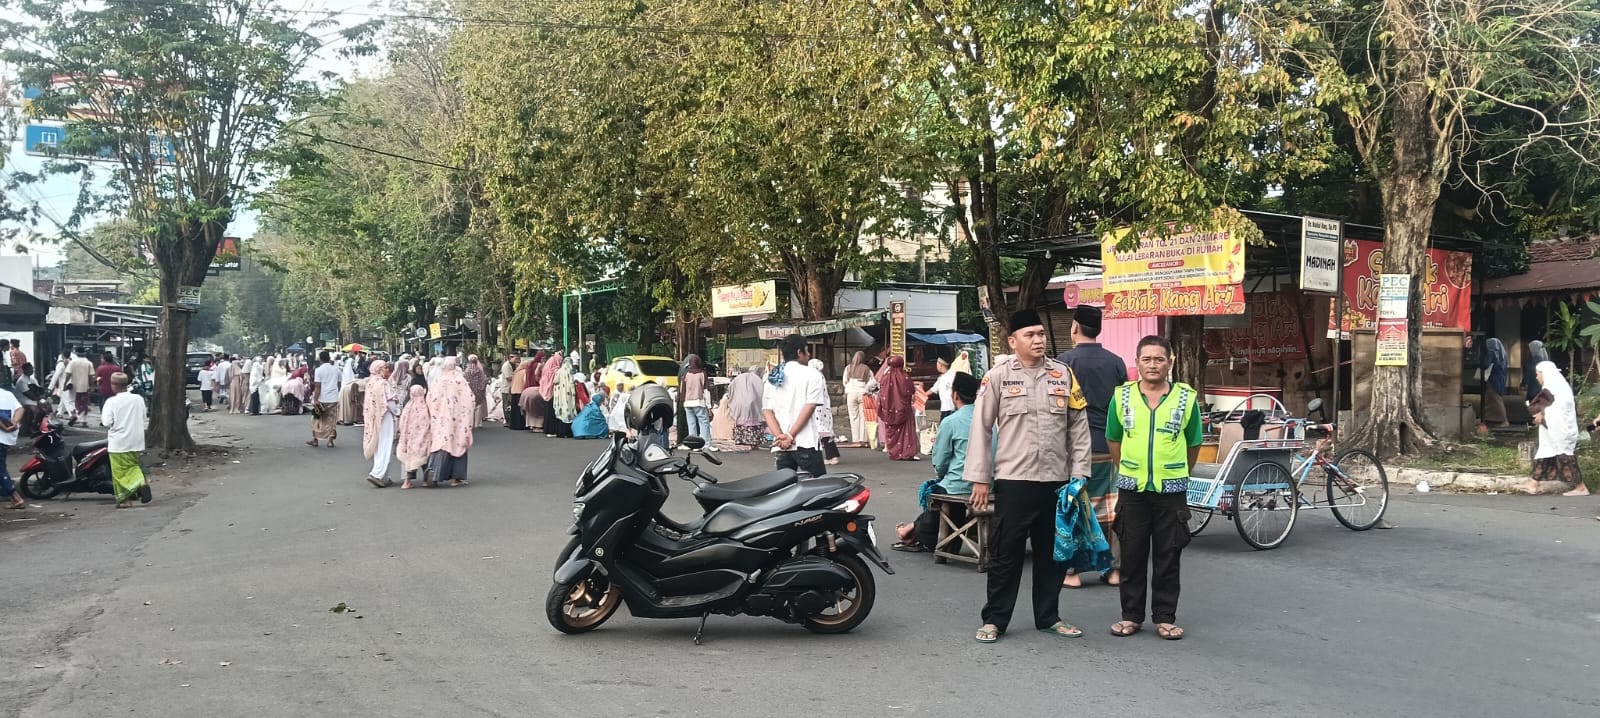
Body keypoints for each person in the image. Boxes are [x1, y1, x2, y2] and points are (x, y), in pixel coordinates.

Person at [966, 308, 1092, 644]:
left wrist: (1079, 473)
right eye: (1029, 335)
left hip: (1056, 481)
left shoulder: (1063, 375)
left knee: (1053, 553)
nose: (1038, 340)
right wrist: (981, 477)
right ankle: (994, 619)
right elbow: (981, 426)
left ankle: (1048, 616)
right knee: (1006, 553)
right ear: (1013, 341)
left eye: (1040, 334)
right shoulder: (997, 377)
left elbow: (1078, 427)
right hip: (1014, 479)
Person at [1107, 335, 1203, 641]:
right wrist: (1127, 468)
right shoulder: (1121, 397)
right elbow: (1113, 438)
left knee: (1168, 554)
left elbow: (1194, 442)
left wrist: (1180, 472)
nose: (1152, 364)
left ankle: (1164, 617)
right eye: (1146, 359)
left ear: (1170, 363)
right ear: (1136, 363)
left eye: (1159, 359)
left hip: (1171, 490)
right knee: (1131, 554)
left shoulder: (1185, 398)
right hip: (1132, 488)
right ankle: (1131, 616)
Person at [1056, 304, 1128, 588]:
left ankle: (1072, 571)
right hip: (1110, 446)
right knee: (1111, 510)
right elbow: (1124, 407)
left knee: (1074, 506)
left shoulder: (1063, 362)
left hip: (1073, 448)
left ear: (1074, 326)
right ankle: (1113, 570)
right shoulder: (1116, 362)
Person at [894, 371, 980, 552]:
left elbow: (940, 461)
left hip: (960, 484)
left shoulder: (951, 421)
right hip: (989, 484)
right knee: (946, 491)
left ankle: (918, 533)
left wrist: (945, 474)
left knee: (933, 491)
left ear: (954, 395)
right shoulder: (989, 420)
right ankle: (915, 530)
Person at [762, 335, 829, 478]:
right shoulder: (812, 374)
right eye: (807, 350)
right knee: (818, 489)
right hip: (805, 442)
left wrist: (780, 436)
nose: (809, 354)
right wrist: (790, 435)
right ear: (799, 352)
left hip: (781, 446)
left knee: (784, 490)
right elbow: (809, 407)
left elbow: (767, 411)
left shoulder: (773, 377)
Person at [1523, 361, 1585, 496]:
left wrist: (1540, 414)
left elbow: (1552, 407)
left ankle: (1581, 487)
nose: (1537, 377)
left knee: (1564, 455)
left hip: (1560, 428)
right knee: (1546, 451)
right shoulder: (1557, 386)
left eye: (1538, 374)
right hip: (1553, 427)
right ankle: (1533, 483)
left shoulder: (1554, 387)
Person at [100, 372, 152, 509]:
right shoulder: (138, 399)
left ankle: (125, 500)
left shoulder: (111, 402)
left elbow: (106, 422)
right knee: (133, 465)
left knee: (119, 472)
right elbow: (143, 416)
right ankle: (141, 482)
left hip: (119, 442)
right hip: (136, 440)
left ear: (114, 385)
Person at [426, 357, 475, 487]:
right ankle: (456, 478)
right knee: (458, 443)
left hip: (440, 418)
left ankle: (433, 470)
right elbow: (470, 399)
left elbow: (430, 398)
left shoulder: (438, 380)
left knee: (440, 443)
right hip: (458, 419)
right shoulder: (459, 380)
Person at [362, 361, 400, 488]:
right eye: (384, 367)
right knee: (385, 445)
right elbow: (389, 402)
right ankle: (377, 474)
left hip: (373, 417)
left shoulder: (370, 382)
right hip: (385, 417)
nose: (386, 369)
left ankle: (384, 475)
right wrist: (398, 411)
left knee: (379, 445)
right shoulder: (382, 383)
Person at [876, 356, 919, 461]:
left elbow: (881, 394)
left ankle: (895, 452)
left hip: (889, 410)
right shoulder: (905, 377)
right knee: (906, 430)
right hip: (904, 409)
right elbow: (910, 391)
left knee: (892, 431)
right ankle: (907, 453)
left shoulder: (884, 378)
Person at [396, 385, 432, 489]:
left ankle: (407, 481)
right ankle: (426, 480)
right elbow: (428, 421)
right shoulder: (425, 406)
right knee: (424, 457)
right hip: (422, 437)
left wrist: (401, 432)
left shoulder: (408, 406)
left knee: (407, 459)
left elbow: (402, 422)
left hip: (408, 438)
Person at [726, 365, 766, 451]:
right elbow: (762, 391)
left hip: (739, 403)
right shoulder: (756, 379)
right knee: (752, 423)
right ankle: (752, 442)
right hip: (752, 404)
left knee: (741, 423)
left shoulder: (739, 378)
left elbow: (730, 388)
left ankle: (741, 441)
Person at [808, 358, 840, 464]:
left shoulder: (813, 377)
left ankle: (830, 456)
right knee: (825, 431)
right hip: (824, 407)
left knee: (819, 431)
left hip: (816, 407)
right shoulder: (820, 376)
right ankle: (832, 455)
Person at [308, 351, 342, 448]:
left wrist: (315, 399)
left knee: (316, 418)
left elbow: (317, 386)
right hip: (333, 398)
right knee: (331, 419)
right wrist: (335, 391)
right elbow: (339, 384)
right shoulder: (336, 370)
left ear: (320, 359)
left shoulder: (318, 370)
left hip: (322, 398)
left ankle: (315, 439)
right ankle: (330, 441)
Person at [0, 381, 25, 509]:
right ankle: (6, 492)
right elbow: (20, 409)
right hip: (5, 439)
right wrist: (14, 423)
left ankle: (15, 496)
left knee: (0, 468)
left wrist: (5, 426)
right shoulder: (7, 394)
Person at [680, 355, 712, 447]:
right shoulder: (702, 374)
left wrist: (683, 401)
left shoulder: (686, 374)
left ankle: (693, 444)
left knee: (691, 423)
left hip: (687, 402)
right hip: (699, 402)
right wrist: (709, 406)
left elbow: (682, 389)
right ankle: (705, 443)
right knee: (704, 423)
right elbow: (706, 391)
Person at [842, 351, 873, 444]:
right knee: (863, 417)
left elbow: (844, 381)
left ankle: (855, 439)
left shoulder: (848, 368)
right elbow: (872, 381)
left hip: (851, 393)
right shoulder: (867, 368)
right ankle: (863, 438)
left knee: (853, 417)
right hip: (863, 393)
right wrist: (867, 389)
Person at [1481, 337, 1510, 427]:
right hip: (1501, 379)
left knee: (1496, 399)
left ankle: (1504, 421)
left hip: (1493, 378)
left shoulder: (1491, 352)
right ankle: (1488, 418)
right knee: (1492, 398)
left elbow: (1486, 364)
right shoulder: (1503, 354)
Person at [549, 358, 578, 438]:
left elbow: (555, 381)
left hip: (560, 395)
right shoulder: (571, 371)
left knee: (561, 412)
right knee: (569, 411)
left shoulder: (559, 371)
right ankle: (568, 433)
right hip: (568, 395)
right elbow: (573, 382)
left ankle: (560, 432)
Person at [67, 350, 95, 424]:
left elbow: (68, 373)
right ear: (85, 354)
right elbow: (91, 376)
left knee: (72, 401)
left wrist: (65, 383)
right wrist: (92, 386)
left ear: (76, 353)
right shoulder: (89, 363)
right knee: (84, 402)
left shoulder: (72, 362)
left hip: (74, 386)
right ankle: (83, 419)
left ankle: (75, 414)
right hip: (85, 386)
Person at [464, 355, 489, 429]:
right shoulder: (480, 370)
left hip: (470, 390)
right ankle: (478, 423)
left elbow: (465, 381)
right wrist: (482, 388)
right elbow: (484, 380)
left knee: (470, 406)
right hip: (479, 391)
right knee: (479, 406)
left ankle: (470, 422)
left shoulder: (467, 371)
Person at [930, 357, 955, 422]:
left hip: (952, 407)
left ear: (940, 365)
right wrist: (921, 395)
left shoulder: (952, 374)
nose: (936, 367)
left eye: (937, 364)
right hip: (944, 408)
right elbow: (933, 390)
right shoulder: (941, 378)